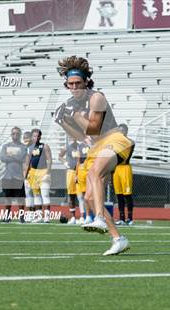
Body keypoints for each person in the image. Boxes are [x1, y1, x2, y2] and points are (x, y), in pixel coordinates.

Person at [54, 55, 133, 255]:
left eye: (78, 83)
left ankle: (98, 217)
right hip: (97, 147)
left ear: (86, 82)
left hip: (114, 140)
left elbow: (94, 128)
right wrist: (62, 122)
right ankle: (118, 238)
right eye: (70, 84)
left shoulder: (96, 97)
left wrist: (75, 115)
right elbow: (82, 136)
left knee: (95, 172)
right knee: (89, 197)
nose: (74, 88)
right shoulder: (73, 103)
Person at [0, 127, 27, 223]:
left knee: (20, 198)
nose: (15, 135)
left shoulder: (23, 147)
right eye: (13, 133)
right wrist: (14, 157)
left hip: (18, 176)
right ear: (11, 135)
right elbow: (2, 157)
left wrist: (10, 156)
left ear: (20, 135)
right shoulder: (6, 146)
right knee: (8, 198)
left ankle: (22, 217)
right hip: (8, 176)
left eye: (17, 133)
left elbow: (21, 157)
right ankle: (7, 216)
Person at [24, 129, 52, 223]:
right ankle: (39, 216)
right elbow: (28, 162)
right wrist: (27, 175)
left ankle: (47, 217)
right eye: (34, 136)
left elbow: (49, 160)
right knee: (36, 195)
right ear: (32, 137)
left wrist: (48, 173)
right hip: (33, 173)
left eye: (38, 136)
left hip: (43, 172)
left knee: (45, 195)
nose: (36, 137)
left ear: (40, 136)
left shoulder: (44, 146)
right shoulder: (29, 148)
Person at [112, 124, 135, 226]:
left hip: (125, 168)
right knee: (119, 195)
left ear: (126, 132)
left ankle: (130, 218)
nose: (120, 133)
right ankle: (121, 218)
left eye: (122, 131)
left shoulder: (129, 142)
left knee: (127, 195)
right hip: (117, 169)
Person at [58, 137, 79, 225]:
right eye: (71, 136)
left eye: (74, 136)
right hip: (70, 172)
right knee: (71, 195)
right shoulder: (67, 147)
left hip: (80, 172)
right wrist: (64, 162)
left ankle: (83, 216)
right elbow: (60, 156)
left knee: (82, 196)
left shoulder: (80, 146)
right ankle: (73, 217)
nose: (73, 138)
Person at [23, 131, 35, 219]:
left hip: (32, 173)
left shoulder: (31, 148)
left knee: (31, 194)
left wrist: (25, 174)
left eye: (27, 137)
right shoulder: (25, 148)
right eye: (24, 138)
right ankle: (31, 213)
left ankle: (32, 213)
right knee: (28, 195)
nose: (26, 139)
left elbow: (29, 163)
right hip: (28, 173)